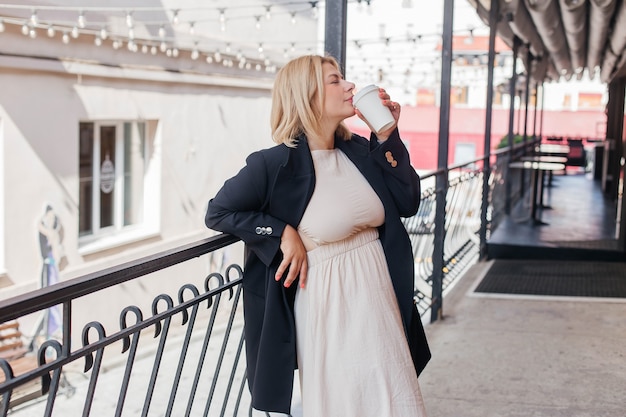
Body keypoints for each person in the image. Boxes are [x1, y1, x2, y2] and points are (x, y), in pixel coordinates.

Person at [205, 54, 429, 416]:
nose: (350, 87)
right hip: (329, 305)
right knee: (345, 403)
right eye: (335, 80)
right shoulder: (273, 164)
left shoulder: (360, 149)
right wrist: (280, 231)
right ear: (307, 95)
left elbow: (408, 201)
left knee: (397, 400)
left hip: (379, 297)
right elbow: (218, 212)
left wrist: (387, 137)